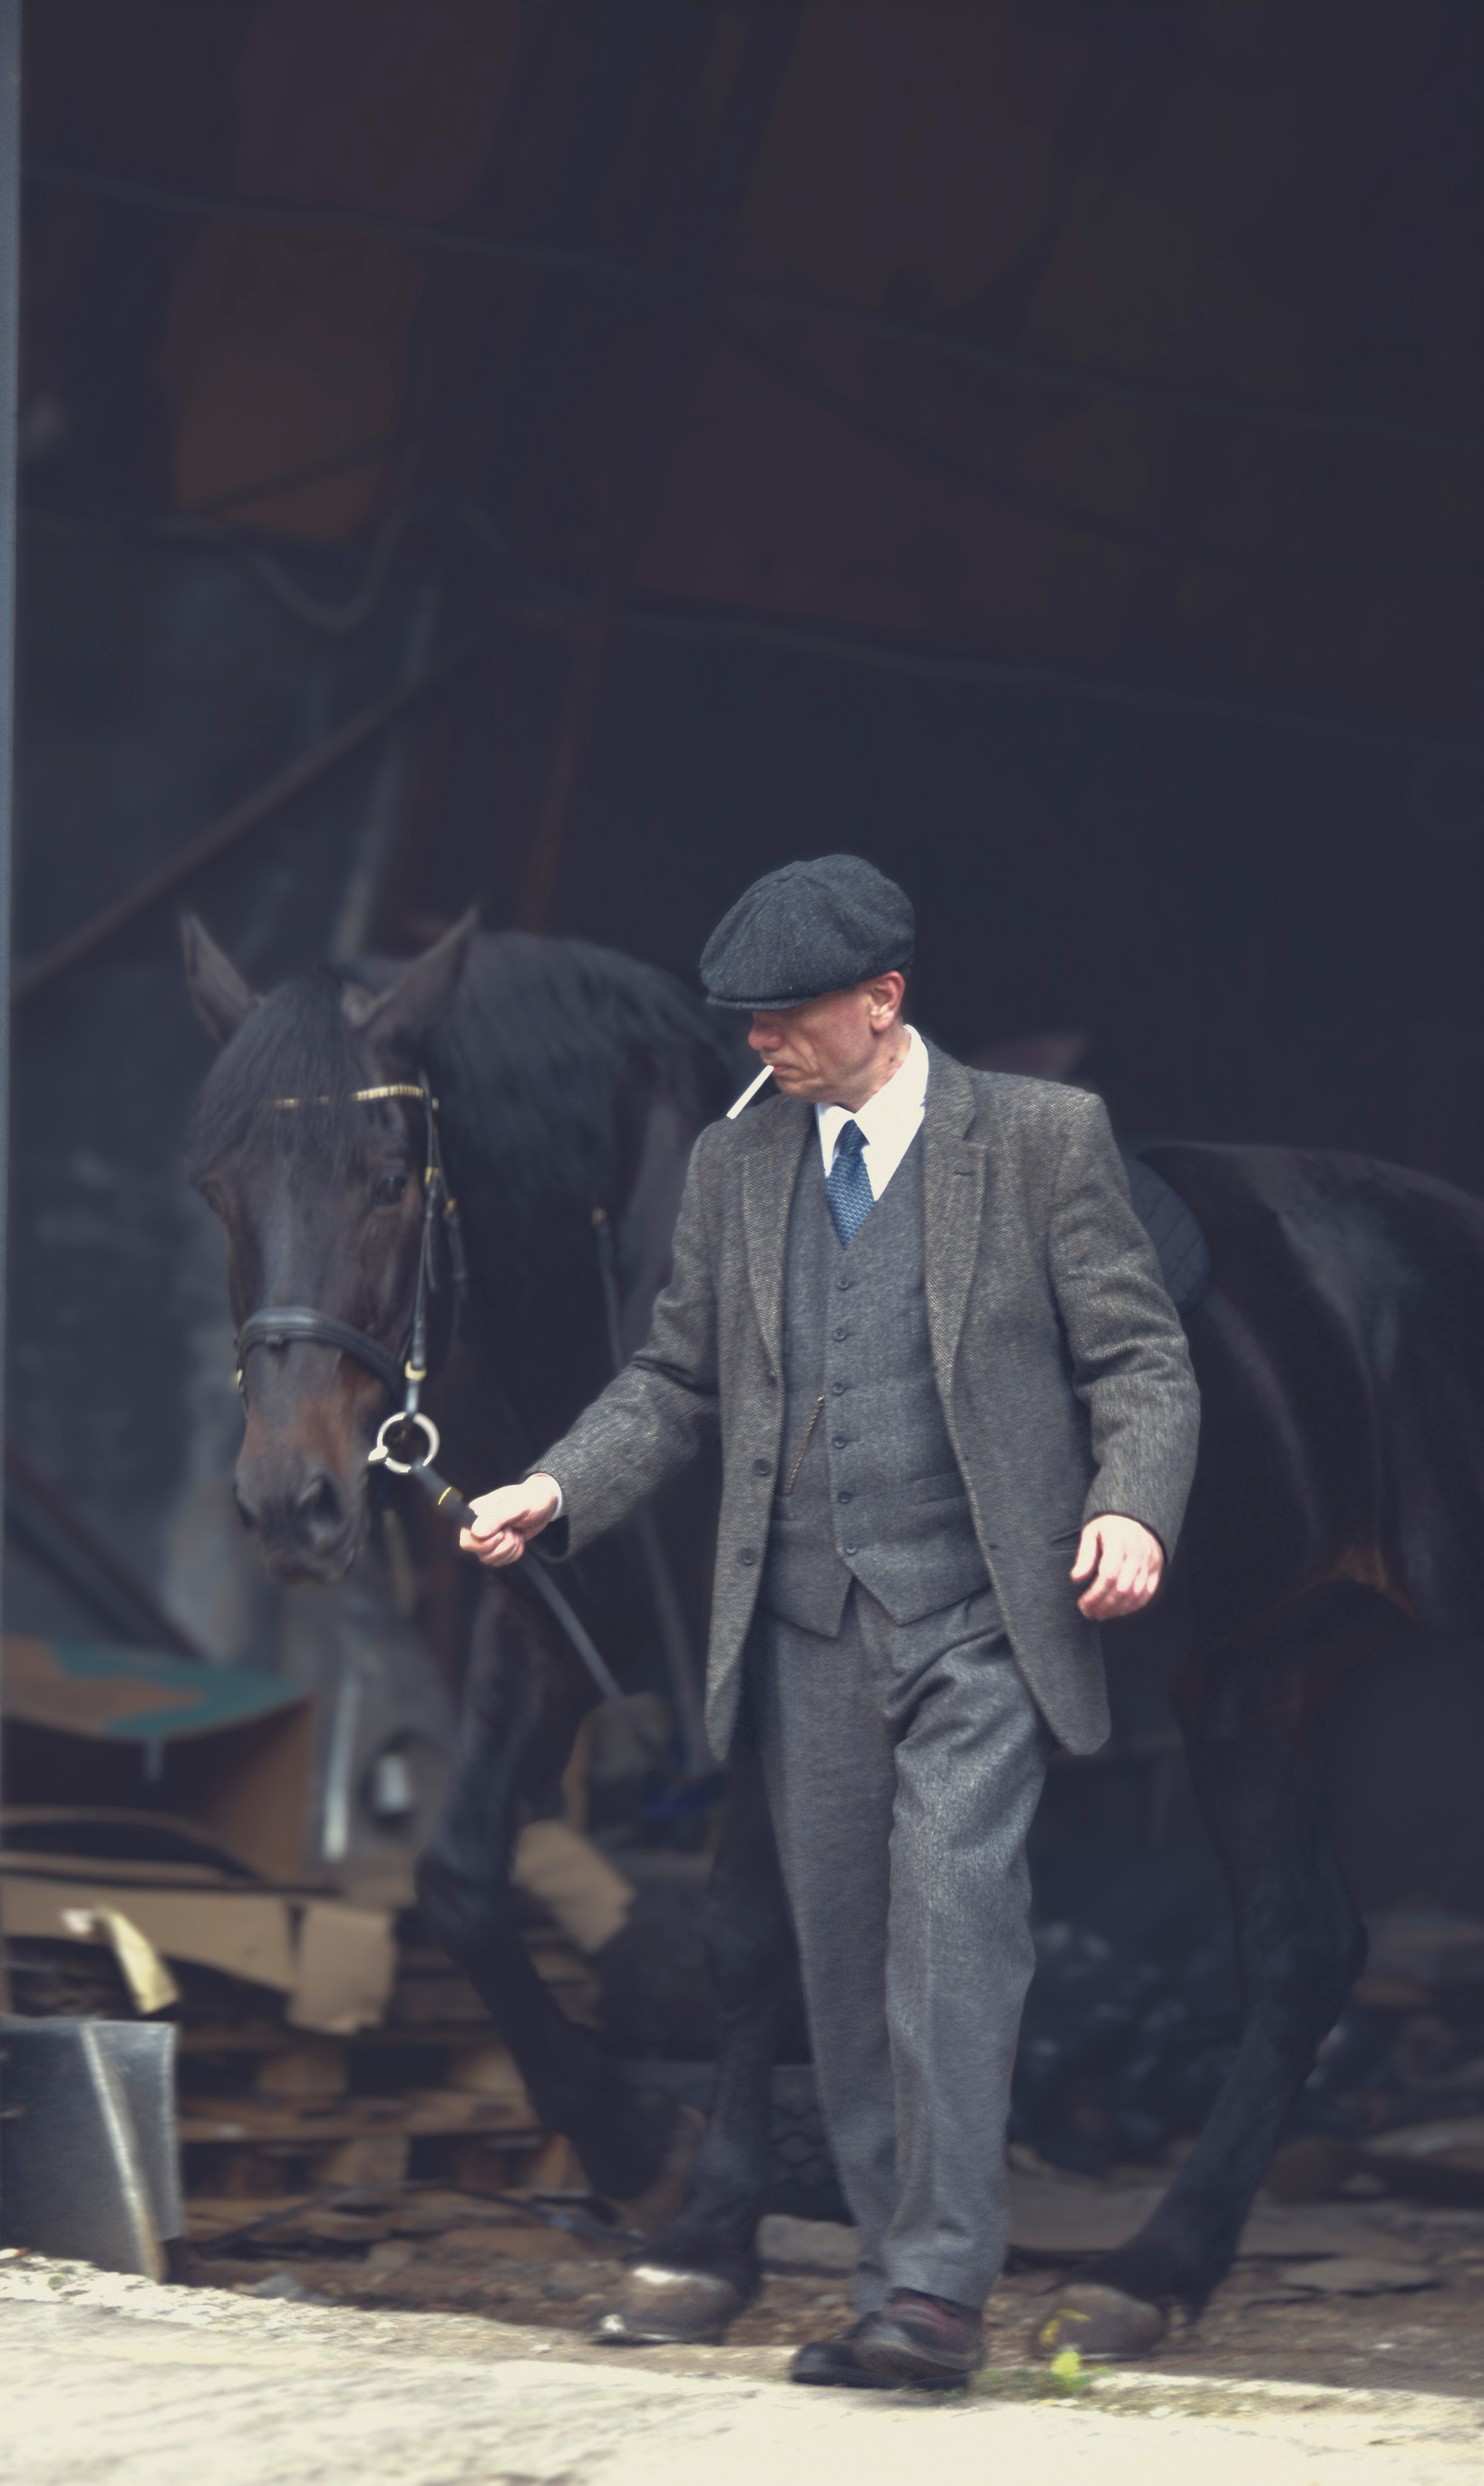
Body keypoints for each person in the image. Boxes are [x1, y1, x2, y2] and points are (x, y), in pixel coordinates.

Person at [461, 855, 1199, 2391]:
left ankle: (935, 2292)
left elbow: (1137, 1358)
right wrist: (553, 1487)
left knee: (949, 1934)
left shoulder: (1042, 1141)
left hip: (978, 1618)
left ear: (882, 999)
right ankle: (891, 2287)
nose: (756, 1046)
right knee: (848, 1968)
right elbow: (673, 1380)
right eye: (743, 1021)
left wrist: (1130, 1502)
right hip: (800, 1632)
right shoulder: (739, 1173)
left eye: (784, 1018)